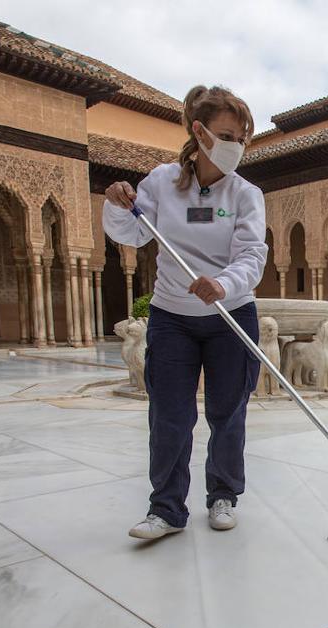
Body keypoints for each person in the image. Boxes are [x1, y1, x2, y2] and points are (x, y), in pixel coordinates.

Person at [103, 85, 267, 540]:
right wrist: (116, 204)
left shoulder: (246, 194)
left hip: (231, 315)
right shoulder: (159, 182)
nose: (238, 145)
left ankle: (222, 495)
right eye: (228, 134)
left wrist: (223, 284)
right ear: (200, 131)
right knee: (170, 414)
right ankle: (167, 510)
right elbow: (133, 234)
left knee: (227, 411)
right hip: (172, 316)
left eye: (243, 137)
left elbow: (252, 257)